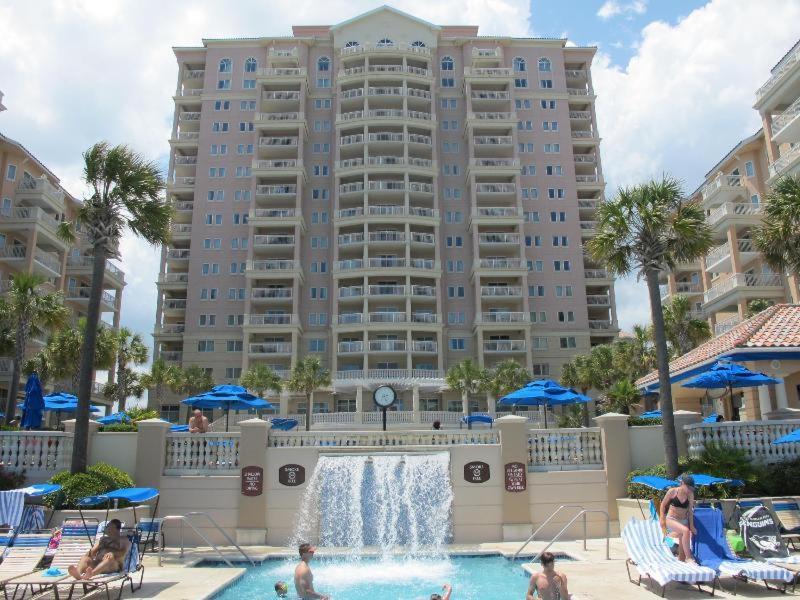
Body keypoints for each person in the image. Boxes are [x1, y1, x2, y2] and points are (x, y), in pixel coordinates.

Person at [659, 473, 697, 563]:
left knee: (681, 556)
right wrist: (662, 519)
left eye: (691, 488)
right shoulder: (672, 491)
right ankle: (689, 557)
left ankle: (683, 559)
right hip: (672, 519)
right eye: (688, 487)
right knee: (685, 531)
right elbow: (663, 505)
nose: (689, 490)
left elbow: (690, 512)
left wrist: (691, 526)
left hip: (683, 521)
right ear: (682, 483)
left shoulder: (690, 495)